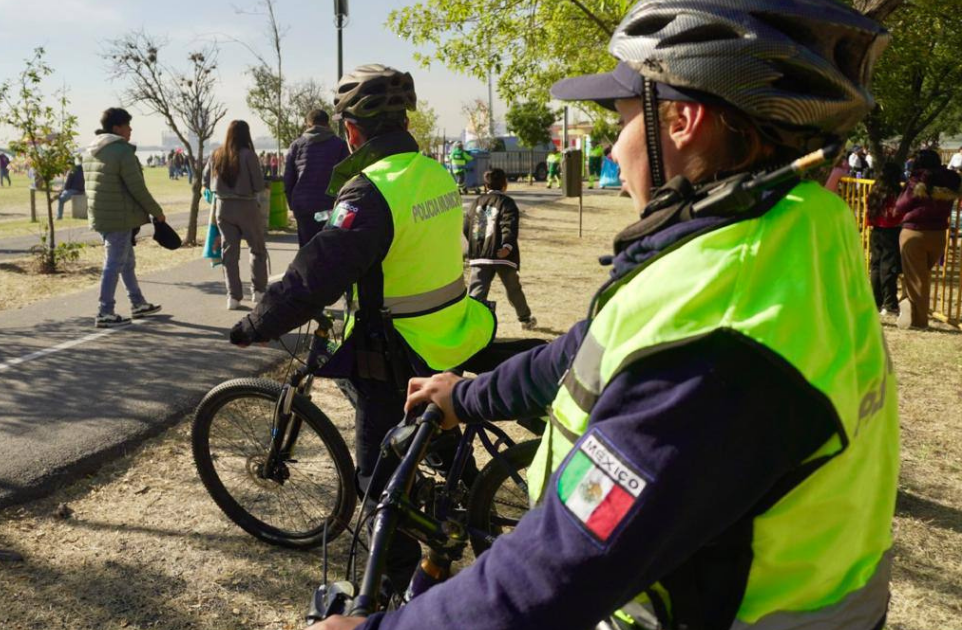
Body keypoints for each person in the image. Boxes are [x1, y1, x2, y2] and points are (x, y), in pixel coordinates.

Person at [311, 2, 897, 630]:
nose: (614, 149)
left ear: (682, 120)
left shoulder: (720, 344)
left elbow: (560, 571)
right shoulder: (782, 232)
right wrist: (466, 396)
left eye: (620, 120)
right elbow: (586, 348)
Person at [232, 64, 497, 596]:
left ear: (351, 131)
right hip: (452, 329)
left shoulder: (369, 191)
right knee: (424, 431)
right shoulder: (434, 172)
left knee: (377, 480)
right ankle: (463, 484)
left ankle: (393, 586)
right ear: (405, 122)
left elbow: (317, 272)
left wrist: (259, 322)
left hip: (400, 351)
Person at [83, 107, 165, 328]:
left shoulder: (91, 150)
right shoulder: (121, 151)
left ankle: (138, 303)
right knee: (114, 263)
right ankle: (105, 312)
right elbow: (137, 187)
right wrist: (156, 211)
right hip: (119, 216)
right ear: (117, 128)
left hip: (100, 215)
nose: (130, 130)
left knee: (126, 262)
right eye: (127, 125)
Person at [205, 120, 269, 309]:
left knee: (229, 253)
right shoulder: (249, 155)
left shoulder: (216, 154)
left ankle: (233, 296)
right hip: (246, 206)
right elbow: (258, 185)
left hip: (223, 207)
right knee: (257, 249)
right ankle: (258, 291)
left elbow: (207, 181)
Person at [465, 168, 536, 330]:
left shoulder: (476, 203)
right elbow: (508, 225)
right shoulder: (507, 203)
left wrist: (476, 244)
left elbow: (467, 227)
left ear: (485, 186)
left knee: (476, 291)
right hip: (503, 256)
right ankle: (525, 319)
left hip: (480, 255)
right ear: (505, 184)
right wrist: (507, 246)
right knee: (513, 289)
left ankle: (470, 323)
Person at [895, 149, 958, 330]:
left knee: (916, 278)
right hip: (938, 234)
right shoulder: (951, 180)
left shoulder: (917, 180)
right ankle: (907, 302)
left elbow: (901, 205)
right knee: (921, 275)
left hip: (914, 232)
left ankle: (918, 321)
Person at [283, 109, 352, 247]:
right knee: (330, 246)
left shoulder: (296, 145)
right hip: (330, 206)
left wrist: (293, 204)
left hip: (303, 207)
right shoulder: (340, 145)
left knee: (306, 248)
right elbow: (348, 177)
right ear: (328, 124)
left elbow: (288, 179)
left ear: (308, 124)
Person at [866, 163, 904, 316]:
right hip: (892, 231)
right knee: (888, 268)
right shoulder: (897, 192)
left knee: (876, 266)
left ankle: (876, 301)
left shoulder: (875, 189)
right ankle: (890, 304)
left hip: (876, 230)